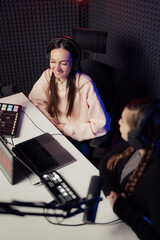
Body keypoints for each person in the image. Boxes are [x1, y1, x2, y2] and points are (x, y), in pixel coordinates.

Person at [29, 36, 110, 156]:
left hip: (76, 138)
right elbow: (36, 102)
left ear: (74, 63)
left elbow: (101, 125)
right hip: (54, 131)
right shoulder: (48, 75)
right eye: (53, 61)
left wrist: (63, 128)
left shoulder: (85, 84)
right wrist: (51, 123)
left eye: (64, 63)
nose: (57, 69)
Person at [99, 98, 160, 240]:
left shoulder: (155, 180)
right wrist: (111, 193)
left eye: (122, 120)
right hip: (113, 214)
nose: (119, 122)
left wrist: (122, 209)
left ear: (136, 134)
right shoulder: (132, 144)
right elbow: (104, 163)